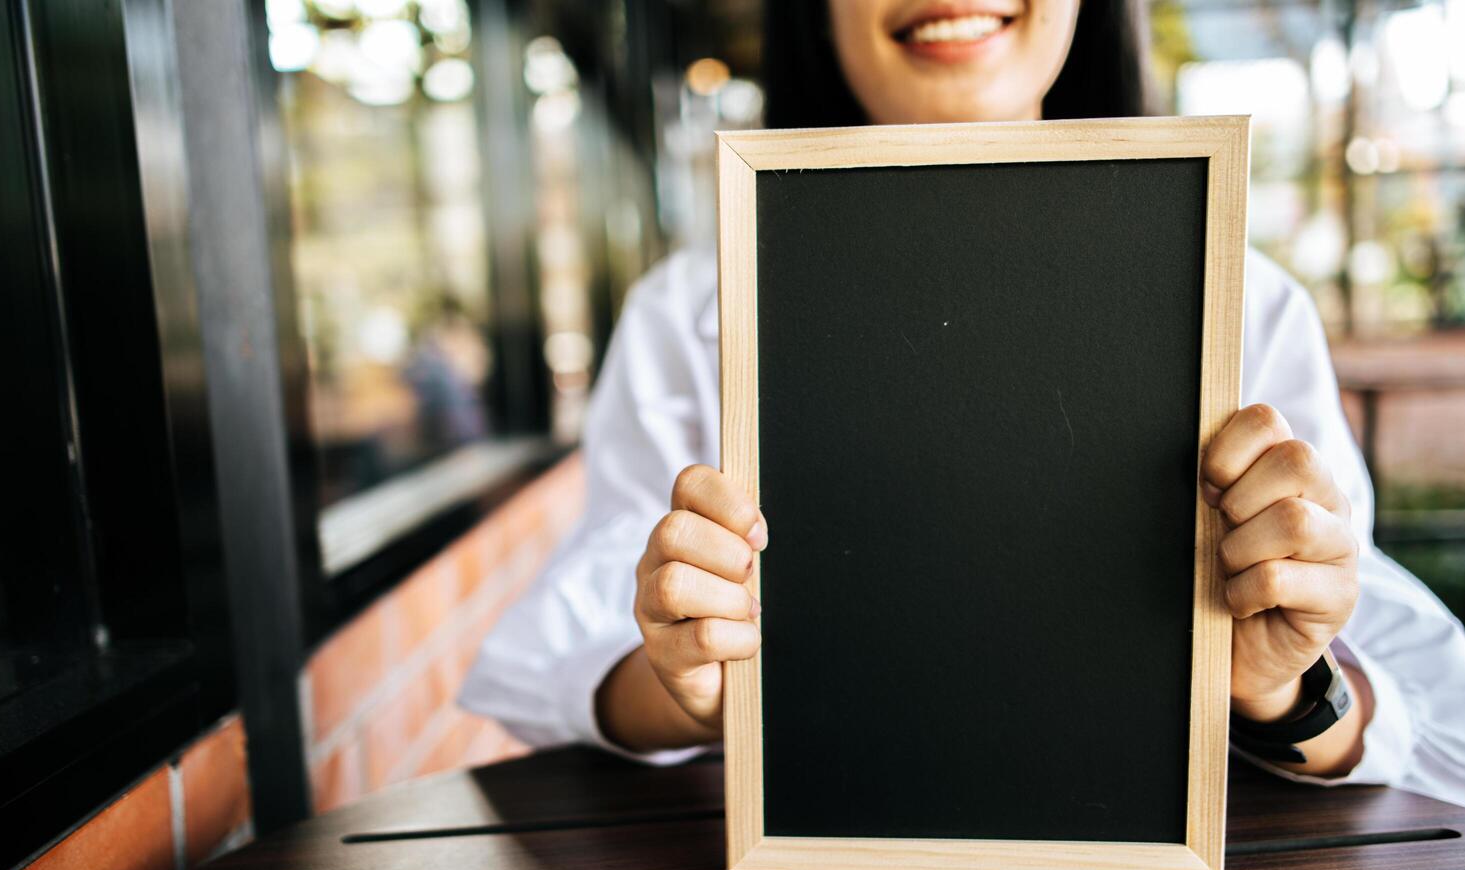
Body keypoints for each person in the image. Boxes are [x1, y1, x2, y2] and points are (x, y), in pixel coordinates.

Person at [461, 0, 1465, 805]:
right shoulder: (690, 310)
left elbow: (1420, 712)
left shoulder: (1241, 296)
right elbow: (567, 654)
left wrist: (1278, 686)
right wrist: (692, 689)